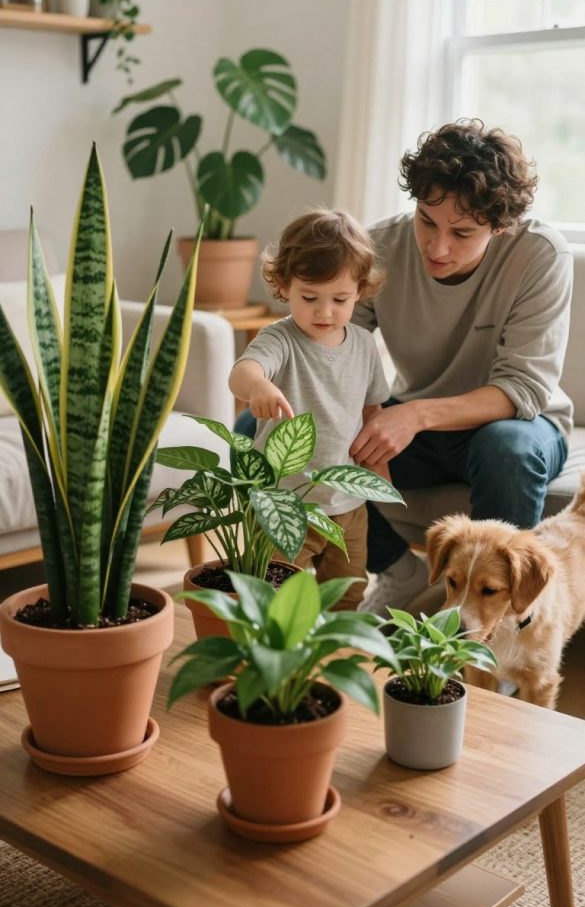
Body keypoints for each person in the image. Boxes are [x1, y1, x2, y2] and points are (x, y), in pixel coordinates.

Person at [350, 119, 573, 615]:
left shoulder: (539, 254)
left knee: (505, 447)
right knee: (273, 425)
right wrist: (369, 417)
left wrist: (412, 416)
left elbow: (521, 389)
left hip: (520, 424)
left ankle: (507, 621)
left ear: (501, 226)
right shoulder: (378, 246)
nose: (438, 246)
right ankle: (395, 570)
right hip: (424, 430)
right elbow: (335, 350)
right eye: (427, 221)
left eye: (463, 232)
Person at [229, 208, 391, 608]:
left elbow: (373, 409)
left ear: (361, 291)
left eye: (340, 299)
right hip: (285, 503)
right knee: (274, 594)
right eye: (309, 297)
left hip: (348, 505)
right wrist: (260, 387)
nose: (325, 312)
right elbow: (241, 373)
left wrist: (378, 464)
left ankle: (333, 662)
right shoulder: (280, 339)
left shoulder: (365, 345)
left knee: (348, 594)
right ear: (284, 285)